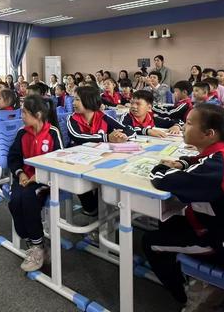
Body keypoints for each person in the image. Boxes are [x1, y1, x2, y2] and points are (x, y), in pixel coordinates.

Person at [143, 104, 224, 309]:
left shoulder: (216, 167)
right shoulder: (218, 156)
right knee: (168, 222)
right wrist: (185, 163)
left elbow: (162, 179)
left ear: (208, 134)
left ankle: (182, 294)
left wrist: (161, 167)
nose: (183, 126)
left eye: (188, 123)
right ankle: (185, 272)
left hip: (218, 240)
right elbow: (200, 163)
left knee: (148, 241)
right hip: (211, 221)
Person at [8, 95, 63, 272]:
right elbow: (13, 157)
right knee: (15, 201)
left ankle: (37, 248)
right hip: (25, 178)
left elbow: (59, 160)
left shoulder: (53, 132)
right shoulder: (22, 133)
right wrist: (21, 173)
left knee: (29, 199)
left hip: (45, 180)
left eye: (24, 112)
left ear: (37, 114)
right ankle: (34, 242)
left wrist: (38, 176)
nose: (21, 115)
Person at [67, 86, 135, 215]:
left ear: (89, 101)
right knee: (81, 184)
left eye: (77, 100)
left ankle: (104, 205)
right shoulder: (72, 119)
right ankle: (91, 209)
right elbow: (77, 136)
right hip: (78, 160)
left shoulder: (102, 117)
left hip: (100, 157)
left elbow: (127, 129)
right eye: (74, 99)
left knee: (109, 174)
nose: (73, 103)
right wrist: (106, 137)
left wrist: (123, 136)